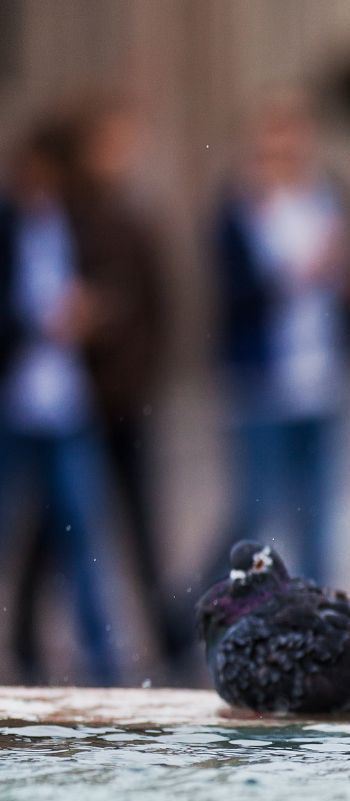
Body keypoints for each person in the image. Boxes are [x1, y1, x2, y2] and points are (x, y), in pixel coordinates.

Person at [10, 97, 182, 679]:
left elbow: (149, 309)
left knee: (95, 531)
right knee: (54, 533)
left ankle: (120, 651)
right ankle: (51, 647)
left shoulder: (114, 218)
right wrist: (50, 322)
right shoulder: (47, 222)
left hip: (99, 403)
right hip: (52, 407)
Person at [208, 92, 350, 588]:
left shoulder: (324, 201)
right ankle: (205, 608)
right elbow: (234, 294)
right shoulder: (241, 212)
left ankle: (319, 622)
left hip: (320, 374)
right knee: (254, 511)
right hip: (262, 378)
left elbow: (348, 288)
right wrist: (293, 273)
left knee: (315, 514)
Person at [0, 119, 118, 686]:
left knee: (81, 533)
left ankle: (102, 662)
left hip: (69, 407)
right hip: (14, 406)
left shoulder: (79, 223)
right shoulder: (8, 228)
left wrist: (89, 314)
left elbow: (118, 287)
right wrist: (37, 322)